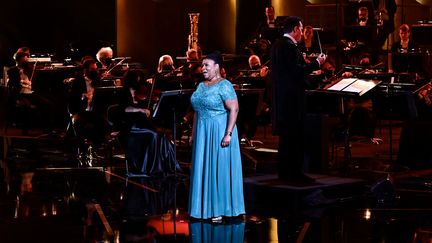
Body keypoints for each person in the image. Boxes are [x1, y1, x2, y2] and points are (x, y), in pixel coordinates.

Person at [188, 51, 245, 222]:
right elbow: (197, 111)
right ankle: (202, 208)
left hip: (220, 131)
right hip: (203, 132)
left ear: (217, 67)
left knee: (217, 169)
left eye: (206, 65)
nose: (203, 68)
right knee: (204, 167)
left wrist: (228, 134)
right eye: (202, 65)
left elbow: (234, 109)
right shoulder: (201, 85)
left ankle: (220, 209)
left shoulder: (224, 85)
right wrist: (193, 134)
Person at [270, 16, 326, 183]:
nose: (302, 33)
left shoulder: (277, 46)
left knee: (286, 140)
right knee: (294, 139)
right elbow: (296, 72)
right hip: (292, 101)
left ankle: (285, 174)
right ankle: (295, 175)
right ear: (294, 30)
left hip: (282, 100)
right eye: (301, 29)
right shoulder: (288, 47)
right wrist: (317, 63)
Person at [7, 50, 53, 134]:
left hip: (29, 93)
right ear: (20, 59)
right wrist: (21, 80)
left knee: (47, 104)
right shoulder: (12, 70)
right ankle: (25, 130)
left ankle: (47, 129)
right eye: (25, 58)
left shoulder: (28, 69)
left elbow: (35, 73)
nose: (27, 59)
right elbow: (12, 83)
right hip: (19, 94)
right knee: (26, 106)